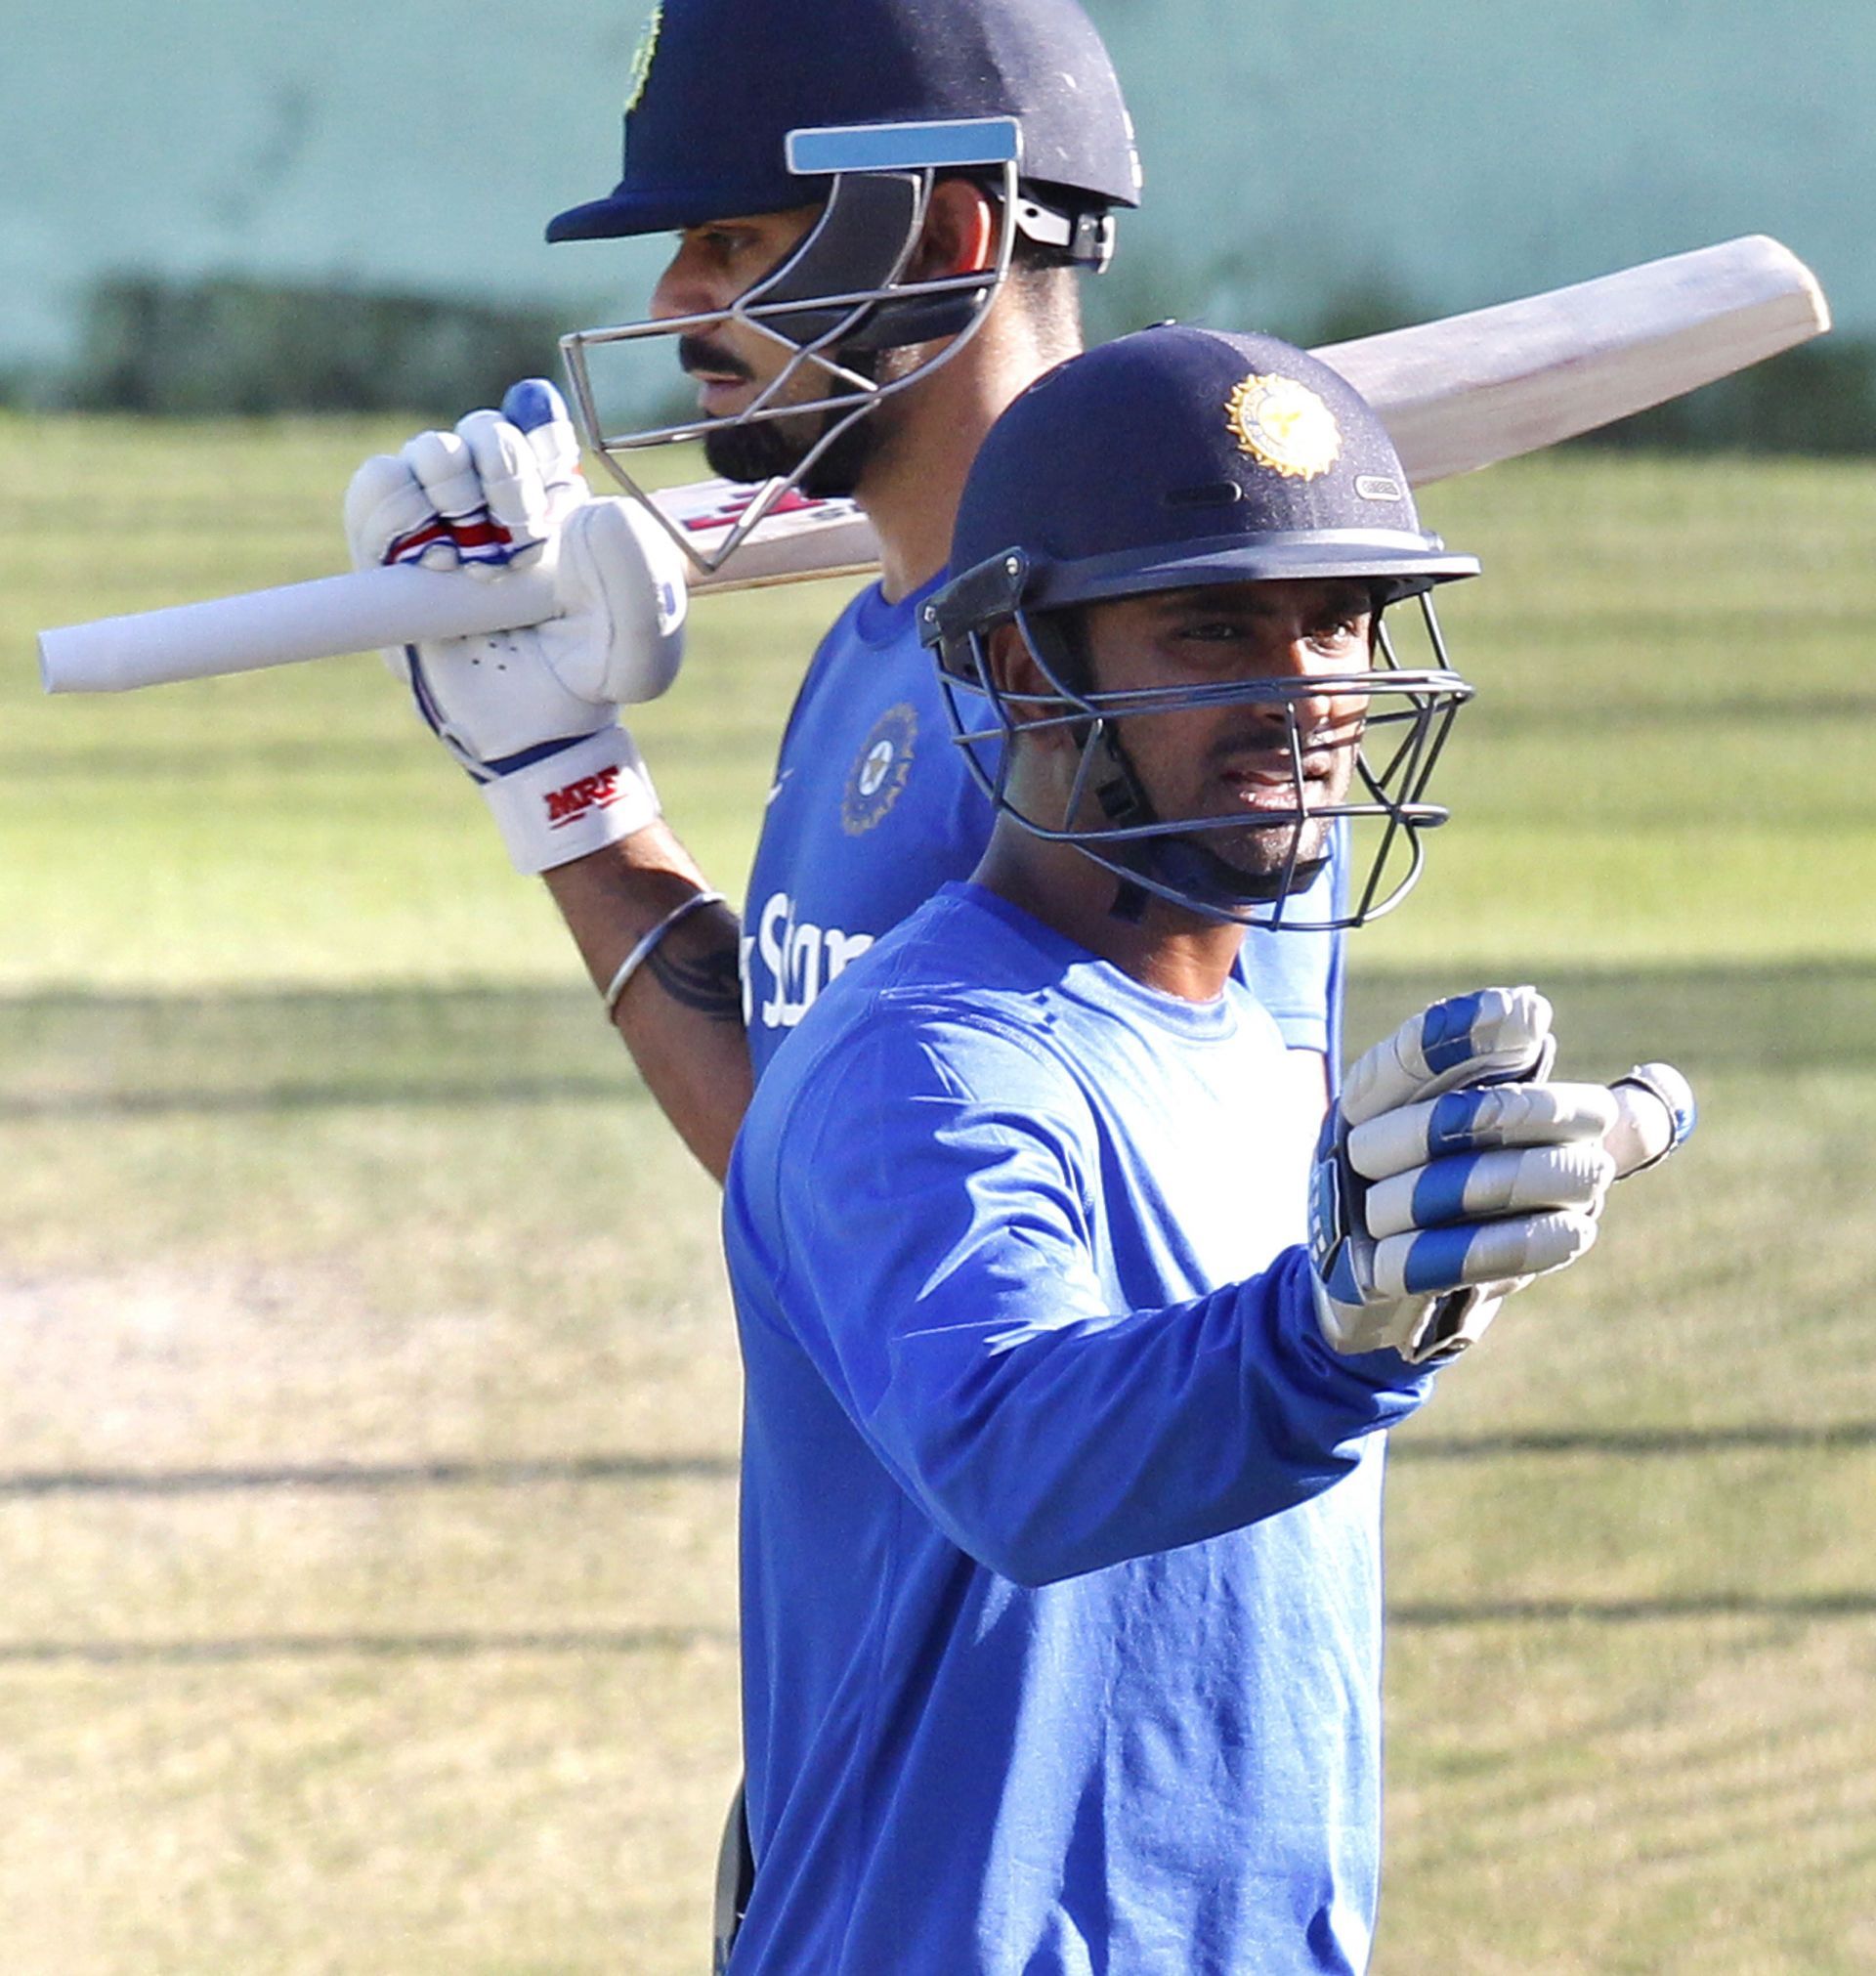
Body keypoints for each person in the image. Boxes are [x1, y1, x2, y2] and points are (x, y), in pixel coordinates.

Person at [718, 324, 1694, 1973]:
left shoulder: (1252, 1055)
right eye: (1217, 626)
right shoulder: (924, 1069)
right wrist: (1329, 1330)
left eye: (1338, 620)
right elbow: (1021, 1453)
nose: (1310, 687)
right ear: (1028, 670)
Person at [341, 0, 1347, 1190]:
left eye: (729, 239)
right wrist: (564, 785)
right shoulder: (875, 642)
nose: (672, 298)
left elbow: (1220, 1233)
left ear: (940, 244)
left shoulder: (1125, 682)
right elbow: (813, 1174)